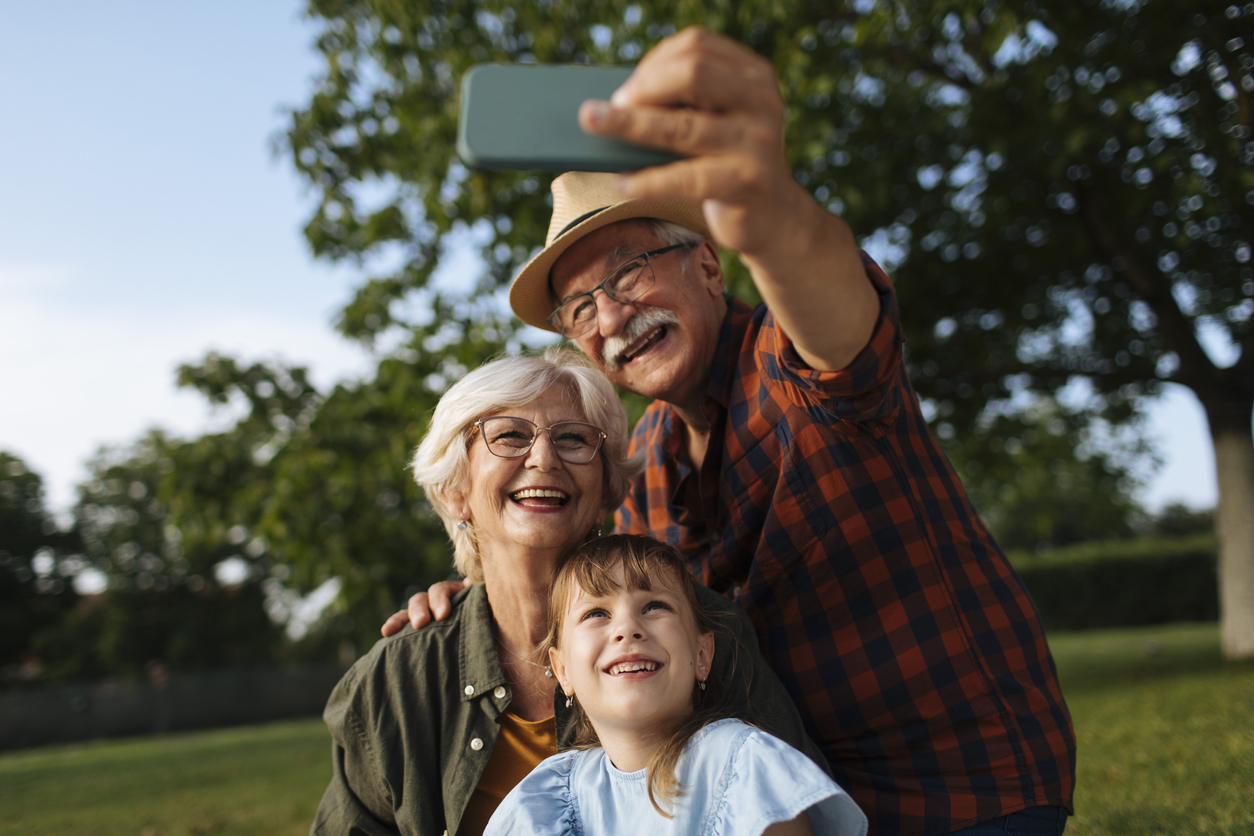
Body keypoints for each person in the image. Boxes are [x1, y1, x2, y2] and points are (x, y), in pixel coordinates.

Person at [384, 27, 1075, 836]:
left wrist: (767, 205)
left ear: (709, 266)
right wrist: (489, 586)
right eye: (580, 310)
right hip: (772, 794)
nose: (611, 317)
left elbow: (830, 296)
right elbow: (605, 585)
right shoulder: (640, 456)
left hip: (961, 789)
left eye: (630, 270)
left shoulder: (796, 362)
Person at [311, 349, 824, 836]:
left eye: (574, 438)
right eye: (509, 435)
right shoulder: (394, 682)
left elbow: (781, 800)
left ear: (605, 487)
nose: (544, 458)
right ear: (456, 490)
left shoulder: (700, 631)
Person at [485, 534, 867, 836]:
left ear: (702, 655)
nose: (627, 629)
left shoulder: (746, 767)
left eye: (654, 607)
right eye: (596, 612)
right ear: (563, 670)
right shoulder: (546, 799)